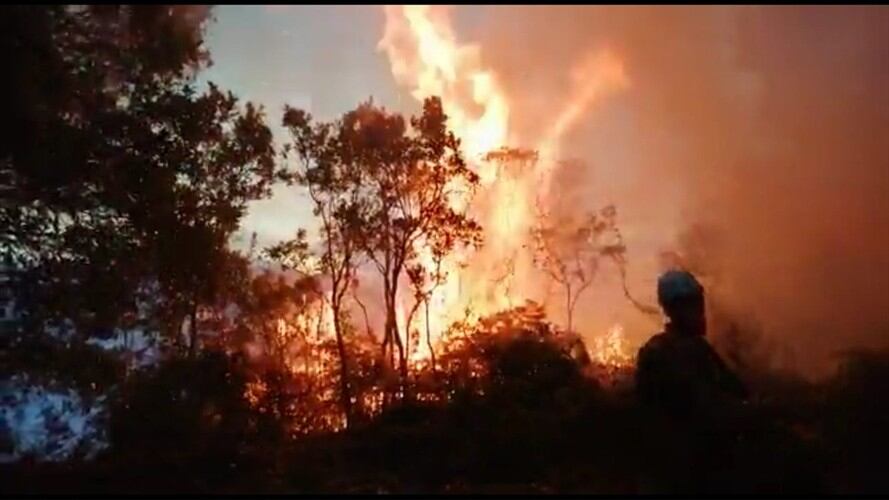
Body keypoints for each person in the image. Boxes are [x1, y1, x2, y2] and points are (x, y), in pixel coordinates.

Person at [634, 269, 749, 491]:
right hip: (688, 473)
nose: (700, 313)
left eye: (698, 304)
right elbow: (709, 408)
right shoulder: (671, 353)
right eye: (693, 305)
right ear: (673, 310)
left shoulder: (687, 348)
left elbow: (737, 388)